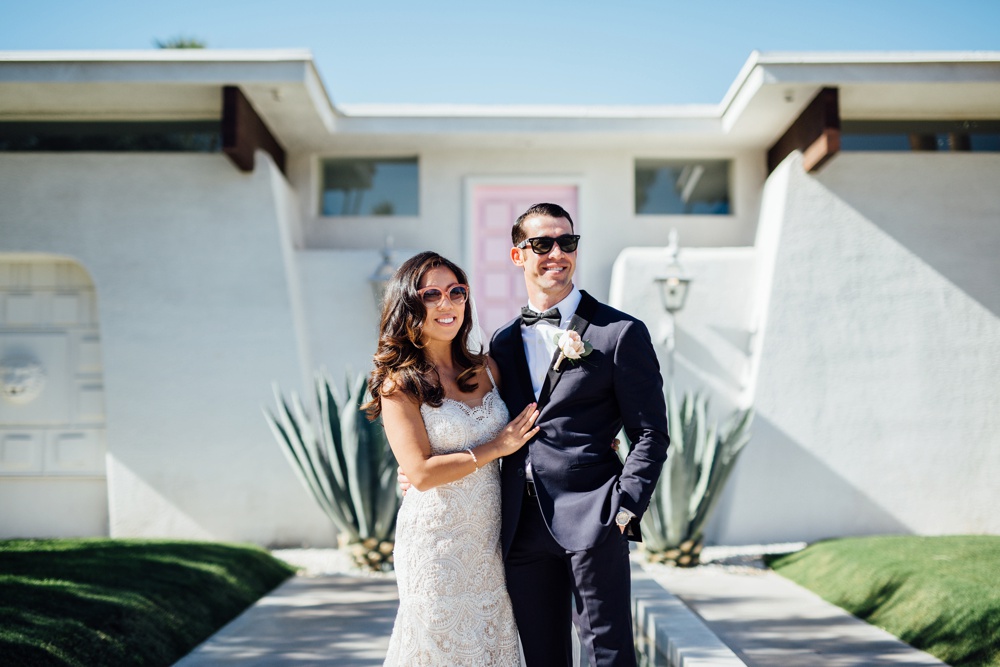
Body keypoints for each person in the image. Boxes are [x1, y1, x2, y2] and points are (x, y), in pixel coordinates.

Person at [489, 202, 670, 666]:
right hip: (522, 526)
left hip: (596, 515)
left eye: (567, 242)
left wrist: (625, 506)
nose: (557, 253)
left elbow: (650, 432)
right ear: (517, 256)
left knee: (609, 654)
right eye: (542, 244)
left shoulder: (619, 333)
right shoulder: (503, 342)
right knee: (542, 657)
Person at [365, 251, 540, 667]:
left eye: (457, 291)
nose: (448, 303)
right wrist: (495, 447)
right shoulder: (399, 384)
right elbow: (421, 473)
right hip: (436, 547)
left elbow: (534, 425)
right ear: (409, 305)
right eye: (432, 295)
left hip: (489, 544)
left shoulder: (488, 369)